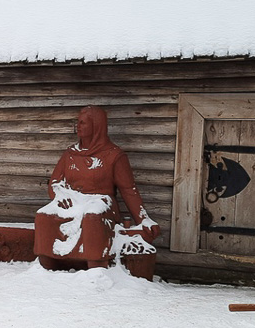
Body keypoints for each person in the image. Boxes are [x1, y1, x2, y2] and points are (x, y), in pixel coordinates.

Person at [34, 106, 160, 269]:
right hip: (73, 201)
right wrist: (60, 193)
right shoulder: (70, 154)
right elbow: (55, 183)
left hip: (101, 203)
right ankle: (46, 267)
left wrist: (143, 219)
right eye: (77, 122)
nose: (78, 126)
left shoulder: (114, 155)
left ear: (97, 126)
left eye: (83, 123)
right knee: (44, 215)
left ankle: (96, 268)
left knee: (92, 216)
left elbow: (129, 190)